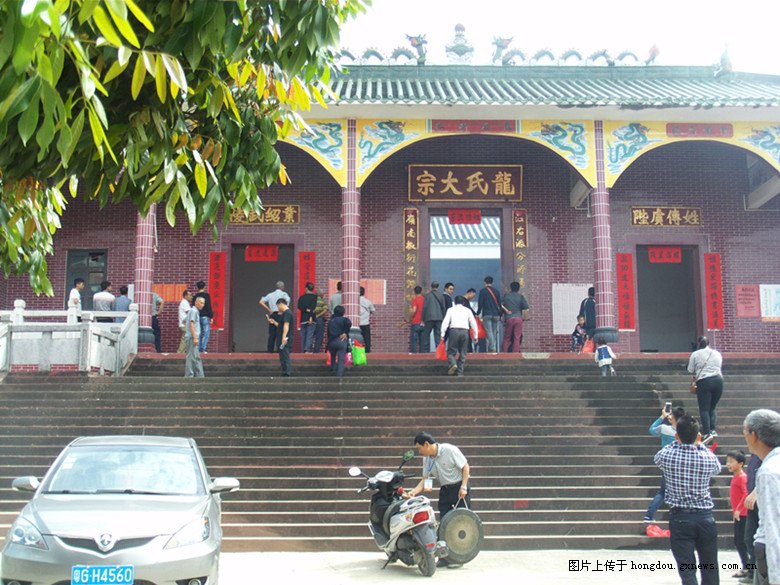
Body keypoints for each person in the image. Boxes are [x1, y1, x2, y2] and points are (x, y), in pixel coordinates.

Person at [654, 415, 721, 585]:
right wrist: (700, 444)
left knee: (687, 570)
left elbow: (657, 458)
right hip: (705, 517)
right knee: (710, 566)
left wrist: (678, 441)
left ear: (677, 436)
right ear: (698, 436)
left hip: (680, 517)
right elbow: (717, 468)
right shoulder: (708, 458)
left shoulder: (667, 455)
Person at [742, 409, 780, 585]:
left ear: (754, 435)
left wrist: (776, 577)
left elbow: (773, 524)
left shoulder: (769, 471)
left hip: (771, 556)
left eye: (744, 431)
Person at [407, 432, 471, 519]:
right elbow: (425, 479)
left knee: (462, 518)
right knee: (444, 519)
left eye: (419, 448)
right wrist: (413, 492)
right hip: (445, 490)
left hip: (459, 487)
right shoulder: (426, 459)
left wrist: (463, 487)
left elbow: (465, 466)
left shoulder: (449, 450)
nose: (419, 452)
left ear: (426, 444)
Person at [645, 405, 686, 524]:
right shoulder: (685, 432)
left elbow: (652, 430)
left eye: (671, 414)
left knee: (663, 491)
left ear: (672, 417)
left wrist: (662, 417)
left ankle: (649, 515)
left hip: (667, 463)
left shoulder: (664, 428)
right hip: (681, 465)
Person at [688, 336, 724, 445]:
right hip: (718, 380)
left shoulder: (695, 354)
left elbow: (690, 369)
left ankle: (707, 432)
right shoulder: (717, 353)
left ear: (699, 344)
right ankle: (713, 429)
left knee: (704, 409)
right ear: (709, 343)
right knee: (712, 407)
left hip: (704, 381)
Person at [440, 295, 479, 377]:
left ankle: (453, 363)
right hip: (465, 332)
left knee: (451, 351)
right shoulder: (467, 310)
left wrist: (442, 334)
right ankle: (460, 372)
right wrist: (475, 335)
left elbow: (445, 322)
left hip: (454, 331)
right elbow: (473, 323)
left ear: (455, 302)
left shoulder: (450, 310)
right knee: (463, 352)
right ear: (463, 303)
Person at [726, 450, 750, 579]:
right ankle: (746, 565)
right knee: (739, 541)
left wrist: (739, 509)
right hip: (739, 514)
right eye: (727, 461)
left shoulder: (742, 477)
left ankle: (747, 567)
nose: (728, 464)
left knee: (741, 541)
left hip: (743, 514)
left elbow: (746, 494)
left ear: (740, 464)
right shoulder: (736, 477)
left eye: (731, 462)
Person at [742, 452, 763, 584]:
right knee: (749, 538)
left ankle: (758, 573)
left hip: (762, 501)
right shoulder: (755, 454)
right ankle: (753, 572)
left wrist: (756, 492)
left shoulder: (768, 452)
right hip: (752, 504)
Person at [259, 281, 290, 353]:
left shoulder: (270, 294)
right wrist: (283, 310)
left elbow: (261, 301)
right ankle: (280, 349)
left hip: (273, 314)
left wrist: (269, 310)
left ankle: (270, 350)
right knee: (280, 332)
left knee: (272, 333)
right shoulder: (284, 294)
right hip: (281, 314)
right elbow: (288, 301)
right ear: (283, 287)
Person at [501, 281, 529, 353]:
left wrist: (506, 311)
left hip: (509, 318)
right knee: (517, 337)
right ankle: (515, 354)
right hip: (518, 318)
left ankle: (504, 353)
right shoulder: (520, 296)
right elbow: (526, 307)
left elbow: (500, 305)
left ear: (510, 288)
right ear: (518, 288)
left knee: (507, 337)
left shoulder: (506, 296)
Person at [477, 276, 502, 353]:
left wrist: (478, 313)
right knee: (493, 332)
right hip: (496, 314)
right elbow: (499, 304)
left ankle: (492, 347)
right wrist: (500, 314)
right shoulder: (497, 292)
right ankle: (492, 348)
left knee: (489, 332)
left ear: (485, 282)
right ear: (492, 282)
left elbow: (480, 303)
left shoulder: (483, 291)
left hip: (487, 314)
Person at [269, 297, 293, 376]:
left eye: (278, 306)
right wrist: (274, 322)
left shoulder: (287, 313)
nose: (278, 308)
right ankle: (284, 371)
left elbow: (286, 325)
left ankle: (287, 372)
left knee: (285, 355)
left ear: (281, 304)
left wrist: (283, 337)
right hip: (282, 338)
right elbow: (281, 326)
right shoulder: (285, 313)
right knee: (282, 356)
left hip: (285, 339)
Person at [327, 305, 352, 378]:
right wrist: (345, 332)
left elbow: (328, 333)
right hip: (341, 340)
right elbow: (349, 324)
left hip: (331, 341)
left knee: (333, 357)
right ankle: (339, 375)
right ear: (343, 312)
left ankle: (333, 370)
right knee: (341, 359)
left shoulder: (330, 321)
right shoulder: (344, 319)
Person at [421, 282, 446, 353]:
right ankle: (438, 352)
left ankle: (425, 351)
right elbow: (443, 308)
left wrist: (423, 318)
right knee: (438, 335)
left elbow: (425, 307)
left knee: (426, 335)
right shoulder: (441, 296)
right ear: (438, 287)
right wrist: (443, 317)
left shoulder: (427, 296)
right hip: (439, 318)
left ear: (431, 287)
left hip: (429, 317)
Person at [184, 296, 205, 378]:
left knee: (196, 357)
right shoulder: (194, 311)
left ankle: (200, 375)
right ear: (196, 302)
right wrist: (195, 337)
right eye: (201, 303)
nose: (202, 305)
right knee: (191, 357)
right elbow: (191, 324)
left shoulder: (193, 311)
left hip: (192, 336)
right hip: (192, 337)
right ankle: (189, 375)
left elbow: (185, 320)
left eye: (203, 303)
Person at [193, 281, 214, 353]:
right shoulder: (206, 295)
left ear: (197, 287)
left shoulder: (195, 297)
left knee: (199, 333)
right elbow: (208, 306)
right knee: (206, 332)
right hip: (205, 317)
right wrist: (211, 316)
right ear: (204, 287)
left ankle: (198, 349)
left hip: (197, 316)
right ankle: (203, 348)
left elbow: (194, 307)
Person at [297, 282, 318, 353]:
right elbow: (313, 308)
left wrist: (306, 309)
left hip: (303, 319)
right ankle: (307, 350)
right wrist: (311, 316)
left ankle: (303, 351)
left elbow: (299, 306)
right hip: (312, 319)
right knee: (309, 335)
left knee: (303, 336)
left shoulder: (302, 297)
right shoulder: (315, 297)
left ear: (306, 288)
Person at [358, 286, 375, 353]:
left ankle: (356, 350)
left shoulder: (354, 301)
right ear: (364, 293)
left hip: (356, 323)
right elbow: (373, 310)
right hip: (365, 323)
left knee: (356, 337)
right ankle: (367, 350)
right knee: (367, 337)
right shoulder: (368, 301)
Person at [408, 286, 425, 353]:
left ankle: (414, 354)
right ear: (421, 291)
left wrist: (411, 316)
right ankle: (422, 354)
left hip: (416, 322)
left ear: (414, 292)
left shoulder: (415, 299)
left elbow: (414, 310)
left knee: (414, 339)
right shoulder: (424, 299)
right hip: (423, 322)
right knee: (422, 340)